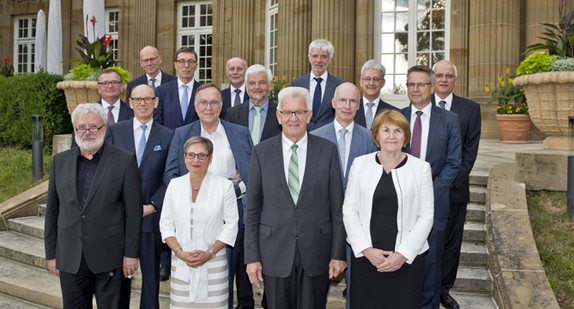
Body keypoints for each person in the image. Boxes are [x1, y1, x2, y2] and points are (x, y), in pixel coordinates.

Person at [244, 86, 347, 309]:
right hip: (275, 252)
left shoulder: (327, 150)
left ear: (309, 116)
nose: (293, 118)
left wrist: (338, 254)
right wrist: (252, 257)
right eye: (288, 112)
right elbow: (252, 209)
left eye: (299, 112)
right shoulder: (261, 152)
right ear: (278, 116)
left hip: (316, 252)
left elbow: (338, 207)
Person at [44, 103, 142, 309]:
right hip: (71, 257)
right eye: (81, 127)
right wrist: (51, 254)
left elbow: (133, 213)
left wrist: (131, 254)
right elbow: (52, 211)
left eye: (93, 127)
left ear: (104, 129)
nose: (87, 132)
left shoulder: (124, 161)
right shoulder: (59, 162)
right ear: (75, 130)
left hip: (111, 258)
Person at [163, 83, 252, 308]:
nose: (209, 107)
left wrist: (226, 191)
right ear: (195, 106)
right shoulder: (182, 133)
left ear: (221, 105)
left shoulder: (239, 133)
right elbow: (170, 174)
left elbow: (251, 173)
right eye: (203, 102)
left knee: (226, 273)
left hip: (231, 211)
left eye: (214, 102)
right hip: (190, 216)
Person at [343, 109, 434, 308]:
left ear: (406, 137)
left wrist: (402, 254)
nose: (391, 136)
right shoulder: (360, 164)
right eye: (386, 130)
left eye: (398, 131)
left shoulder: (421, 168)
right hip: (366, 258)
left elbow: (426, 216)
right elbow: (349, 210)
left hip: (406, 260)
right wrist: (366, 250)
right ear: (376, 136)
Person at [106, 84, 174, 309]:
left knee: (151, 277)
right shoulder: (115, 131)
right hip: (121, 217)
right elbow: (107, 171)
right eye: (137, 99)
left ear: (155, 102)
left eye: (147, 99)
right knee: (119, 276)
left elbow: (171, 177)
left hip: (150, 217)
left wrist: (153, 205)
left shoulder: (168, 135)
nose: (142, 103)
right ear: (131, 103)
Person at [310, 82, 377, 308]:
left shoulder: (370, 139)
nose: (347, 106)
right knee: (317, 283)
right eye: (342, 100)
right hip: (323, 221)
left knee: (357, 287)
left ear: (359, 105)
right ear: (333, 103)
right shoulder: (314, 137)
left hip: (359, 220)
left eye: (352, 101)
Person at [400, 65, 461, 309]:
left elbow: (453, 163)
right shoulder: (396, 117)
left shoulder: (450, 120)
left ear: (432, 87)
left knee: (431, 263)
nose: (415, 89)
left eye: (421, 84)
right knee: (401, 260)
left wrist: (428, 192)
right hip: (400, 203)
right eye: (411, 84)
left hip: (435, 204)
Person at [160, 136, 239, 309]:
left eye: (202, 155)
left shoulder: (224, 186)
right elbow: (165, 225)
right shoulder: (174, 185)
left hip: (214, 263)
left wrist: (209, 253)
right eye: (191, 155)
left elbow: (232, 224)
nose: (196, 160)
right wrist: (180, 253)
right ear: (184, 157)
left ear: (210, 158)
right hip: (182, 263)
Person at [432, 60, 481, 309]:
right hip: (423, 189)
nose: (443, 80)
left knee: (451, 244)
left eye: (448, 76)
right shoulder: (421, 106)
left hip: (454, 191)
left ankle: (443, 290)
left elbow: (469, 153)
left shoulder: (470, 109)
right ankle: (423, 287)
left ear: (455, 80)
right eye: (439, 75)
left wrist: (448, 183)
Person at [290, 39, 345, 130]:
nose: (318, 60)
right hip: (302, 135)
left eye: (323, 56)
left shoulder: (339, 86)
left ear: (330, 59)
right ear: (309, 58)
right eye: (315, 56)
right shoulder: (297, 84)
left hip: (328, 138)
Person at [225, 64, 282, 145]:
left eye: (262, 83)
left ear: (270, 85)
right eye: (252, 83)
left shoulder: (281, 113)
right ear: (246, 86)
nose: (257, 87)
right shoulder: (232, 114)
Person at [155, 47, 202, 130]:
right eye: (181, 61)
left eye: (191, 61)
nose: (186, 65)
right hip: (170, 141)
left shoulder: (203, 91)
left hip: (196, 141)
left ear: (196, 66)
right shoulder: (162, 91)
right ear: (175, 65)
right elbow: (157, 122)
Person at [355, 60, 398, 129]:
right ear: (361, 82)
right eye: (367, 79)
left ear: (383, 83)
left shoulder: (394, 113)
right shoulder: (350, 109)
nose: (371, 83)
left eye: (376, 79)